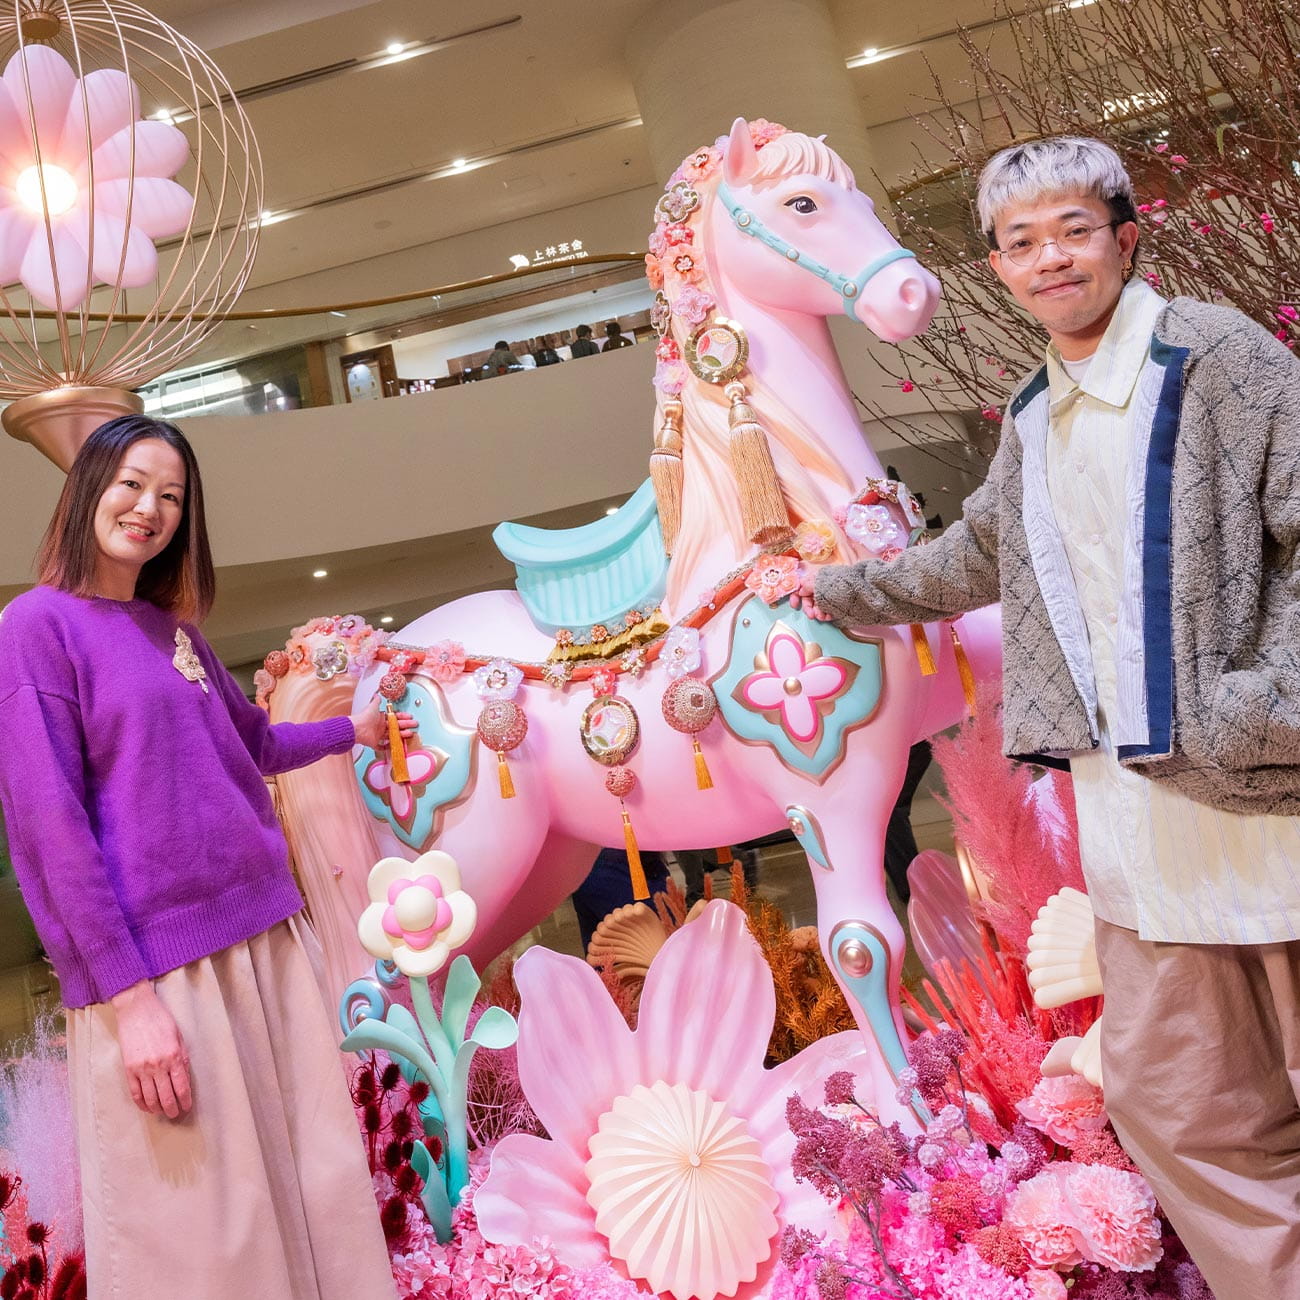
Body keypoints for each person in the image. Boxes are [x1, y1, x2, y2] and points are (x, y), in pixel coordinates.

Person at [796, 136, 1300, 1300]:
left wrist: (1262, 701)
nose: (1049, 258)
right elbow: (978, 552)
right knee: (1187, 1114)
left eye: (1073, 228)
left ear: (1126, 236)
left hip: (1267, 803)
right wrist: (823, 590)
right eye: (1019, 243)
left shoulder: (1219, 356)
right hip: (1141, 840)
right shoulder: (1033, 413)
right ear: (998, 270)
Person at [0, 415, 412, 1299]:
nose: (150, 509)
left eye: (172, 498)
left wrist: (354, 729)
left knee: (316, 1197)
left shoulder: (166, 630)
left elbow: (252, 739)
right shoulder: (36, 626)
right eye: (131, 485)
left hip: (266, 937)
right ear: (87, 490)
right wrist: (129, 998)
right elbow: (48, 826)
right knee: (204, 1237)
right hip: (162, 971)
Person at [570, 846, 670, 953]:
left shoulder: (638, 852)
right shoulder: (603, 866)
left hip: (654, 958)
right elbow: (645, 923)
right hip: (638, 961)